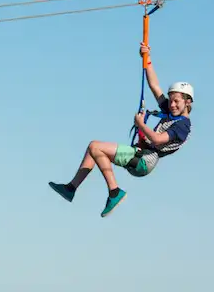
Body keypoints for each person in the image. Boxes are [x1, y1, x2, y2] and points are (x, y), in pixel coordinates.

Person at [48, 42, 193, 218]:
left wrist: (141, 125)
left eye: (176, 101)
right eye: (171, 100)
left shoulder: (182, 125)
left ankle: (114, 192)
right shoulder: (170, 112)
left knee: (96, 147)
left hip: (145, 160)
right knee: (92, 148)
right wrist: (147, 59)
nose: (172, 104)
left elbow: (157, 139)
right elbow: (154, 86)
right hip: (141, 155)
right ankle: (71, 188)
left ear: (188, 102)